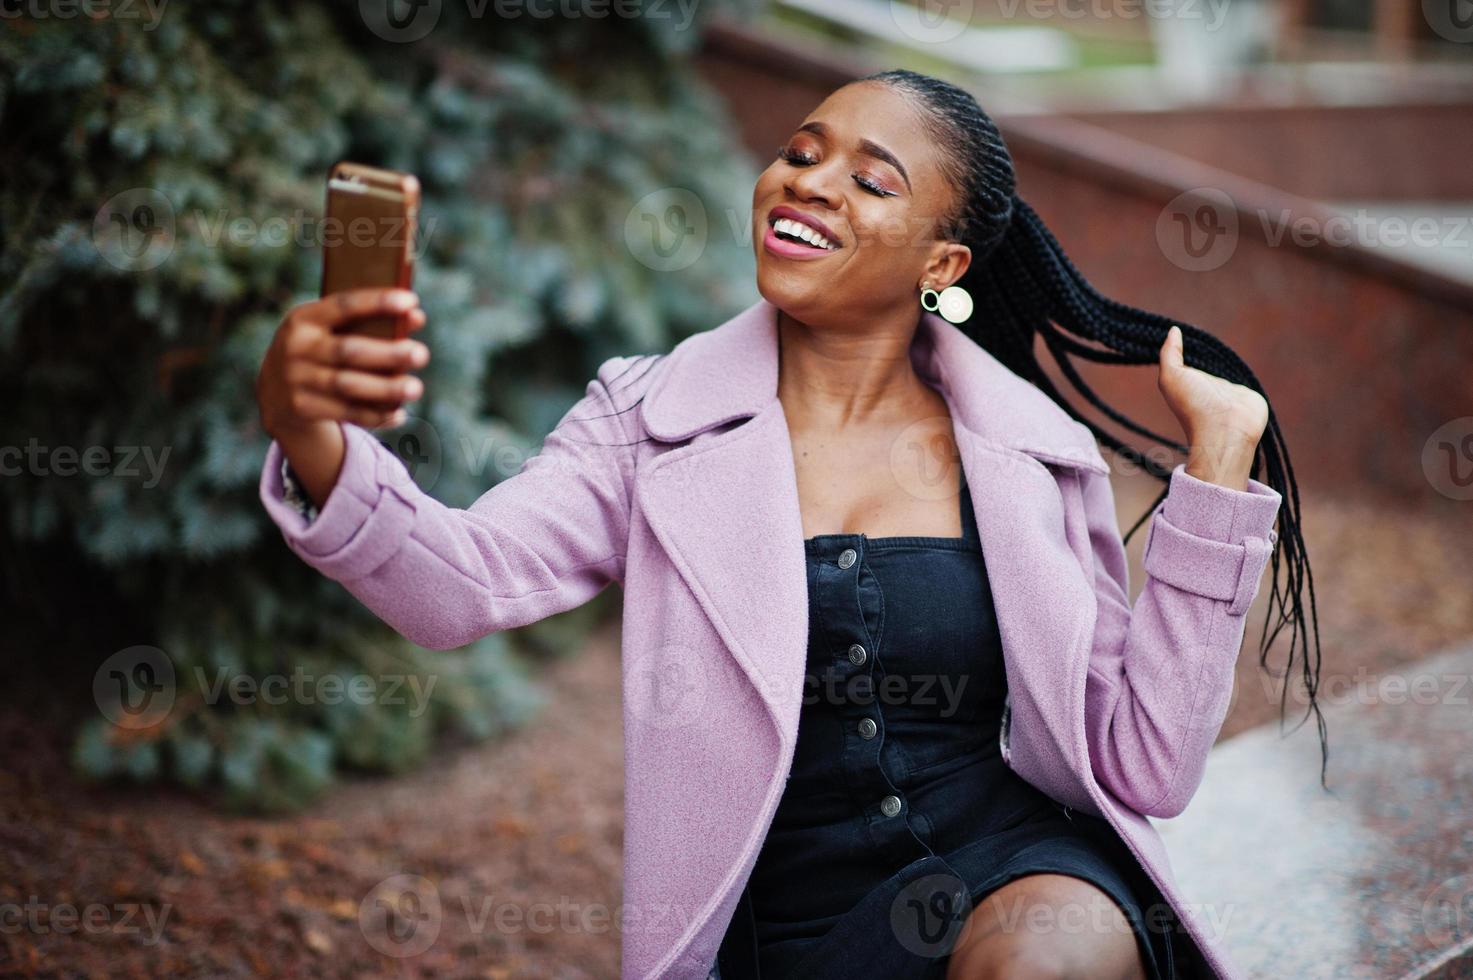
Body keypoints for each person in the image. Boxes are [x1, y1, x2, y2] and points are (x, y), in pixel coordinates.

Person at [255, 69, 1323, 979]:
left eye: (869, 178)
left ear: (941, 266)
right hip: (785, 927)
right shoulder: (651, 420)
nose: (808, 181)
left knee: (1054, 946)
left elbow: (1145, 763)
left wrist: (1217, 472)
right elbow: (460, 585)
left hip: (1009, 866)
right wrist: (311, 431)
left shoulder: (1028, 456)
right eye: (799, 152)